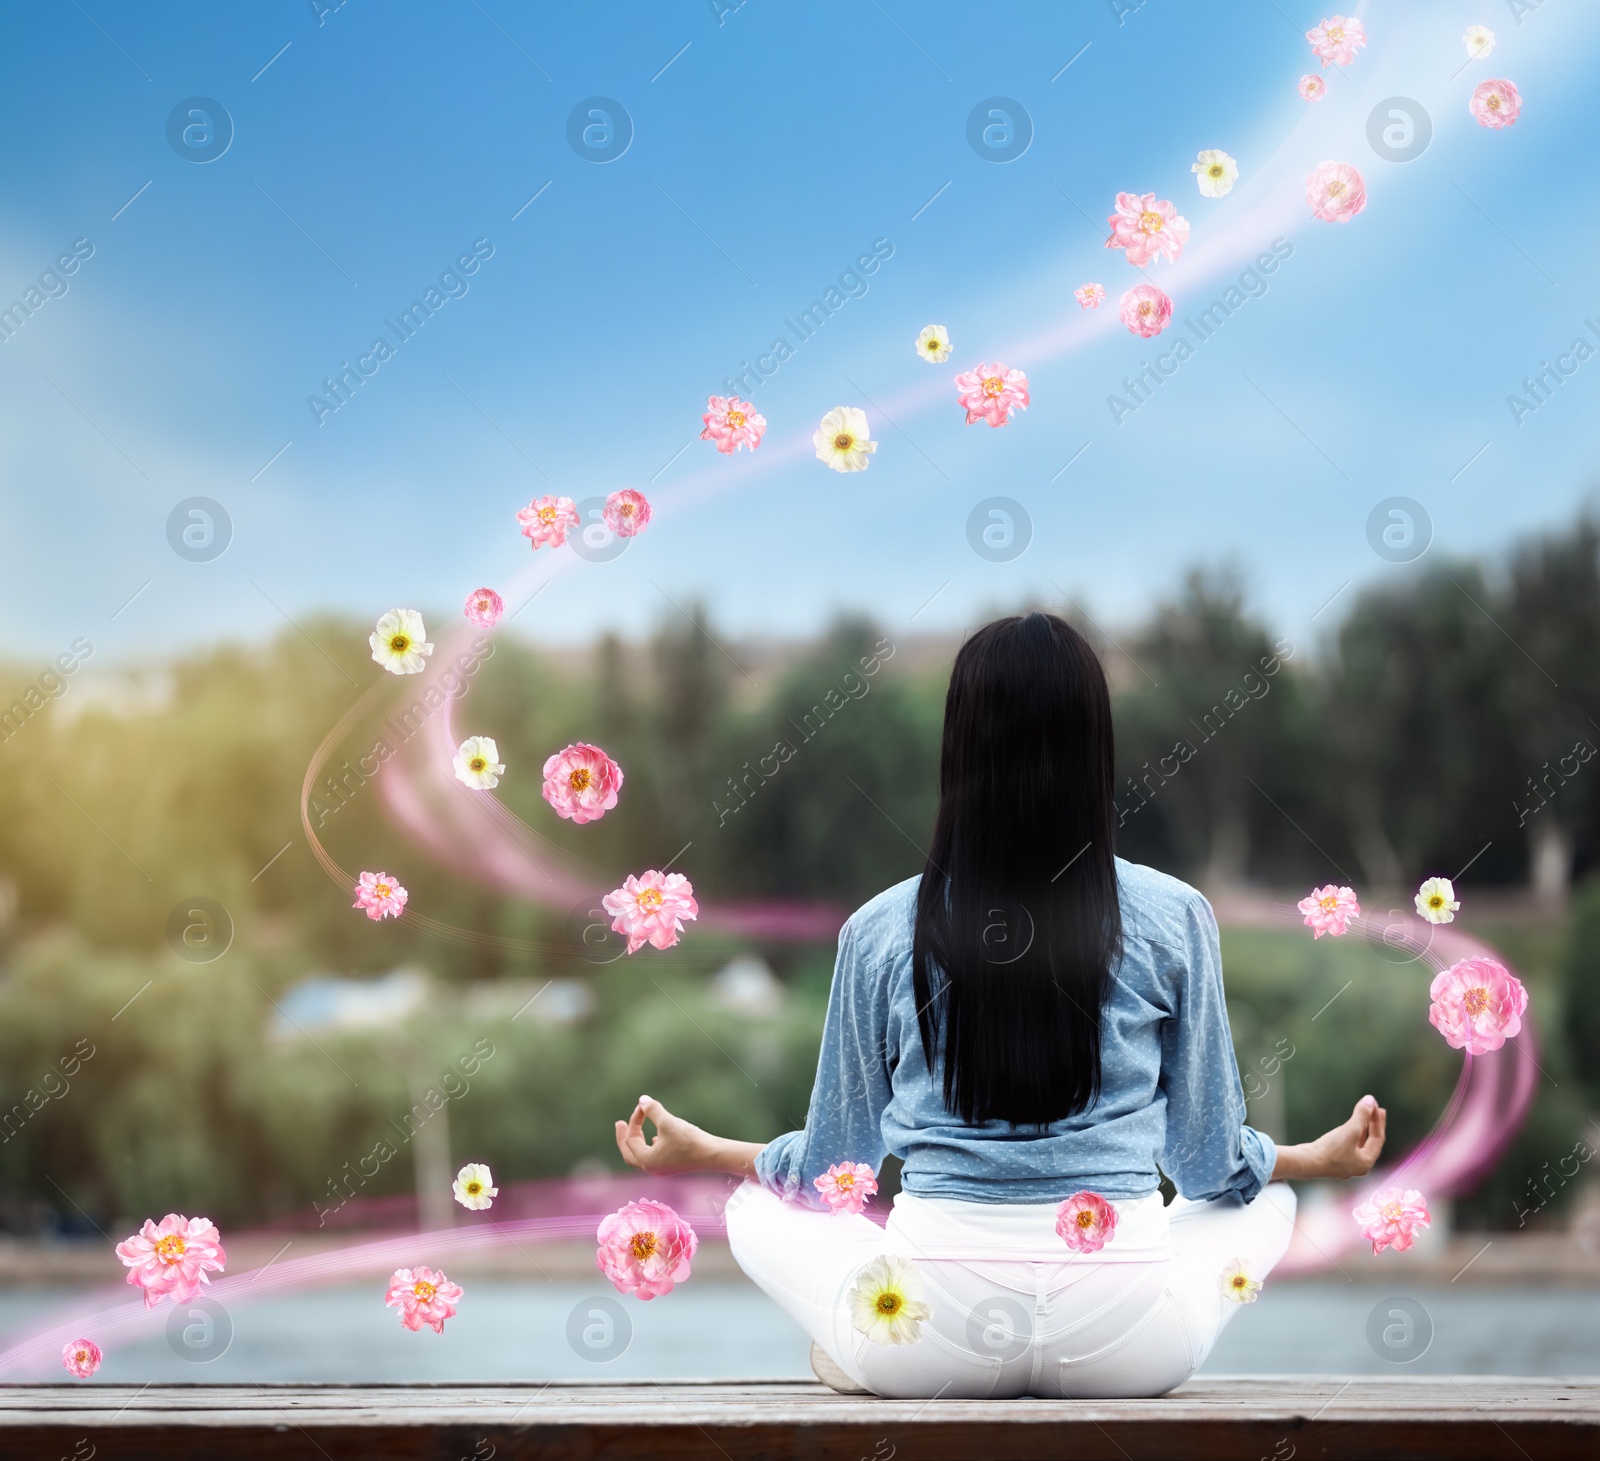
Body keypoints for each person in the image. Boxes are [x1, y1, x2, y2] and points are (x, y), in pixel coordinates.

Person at [614, 611, 1386, 1399]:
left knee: (758, 1208)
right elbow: (1209, 1167)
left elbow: (828, 1176)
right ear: (1096, 749)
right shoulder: (1176, 915)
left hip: (924, 1335)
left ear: (959, 751)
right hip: (1129, 1345)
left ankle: (854, 1349)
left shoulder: (880, 930)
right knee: (1268, 1200)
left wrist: (707, 1149)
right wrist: (1311, 1160)